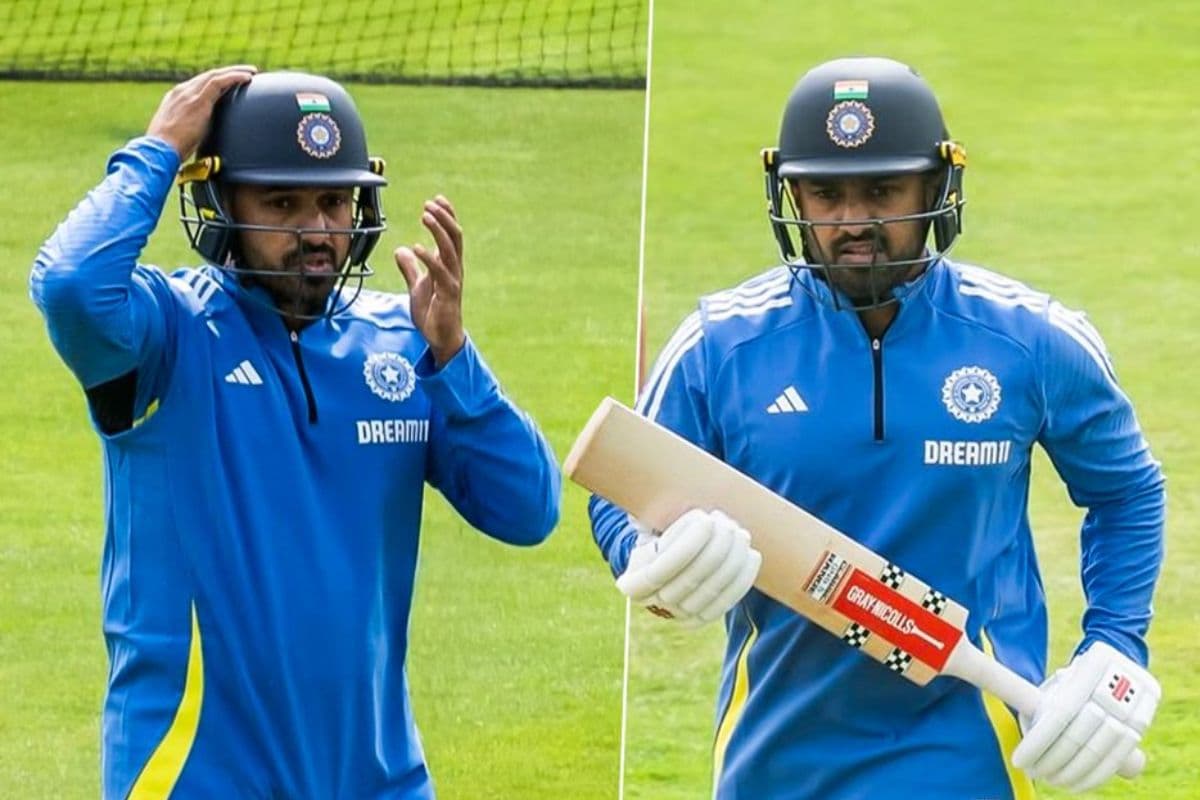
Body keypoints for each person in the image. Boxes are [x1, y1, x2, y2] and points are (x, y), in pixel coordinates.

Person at [589, 56, 1164, 799]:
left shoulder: (1032, 340)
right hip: (775, 751)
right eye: (825, 194)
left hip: (969, 750)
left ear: (937, 188)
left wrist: (1115, 642)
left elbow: (1126, 492)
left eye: (883, 190)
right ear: (788, 192)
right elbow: (623, 483)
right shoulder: (718, 346)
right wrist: (648, 553)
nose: (854, 221)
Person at [30, 65, 560, 799]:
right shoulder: (163, 334)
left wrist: (453, 359)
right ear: (216, 201)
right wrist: (157, 150)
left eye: (334, 201)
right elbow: (70, 287)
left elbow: (531, 511)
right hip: (193, 777)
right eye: (281, 202)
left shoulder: (403, 342)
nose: (317, 231)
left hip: (381, 779)